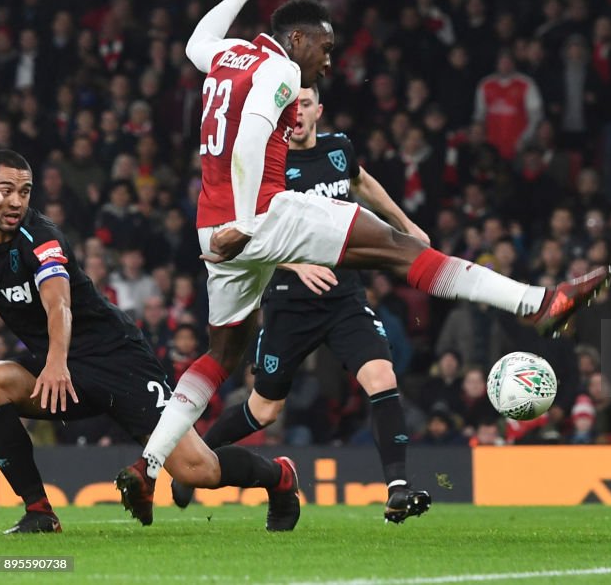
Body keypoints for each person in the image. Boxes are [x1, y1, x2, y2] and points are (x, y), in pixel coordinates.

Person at [116, 0, 609, 524]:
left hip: (212, 225)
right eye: (323, 49)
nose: (325, 64)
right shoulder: (279, 73)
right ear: (294, 39)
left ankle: (147, 466)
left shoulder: (227, 56)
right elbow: (252, 138)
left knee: (220, 354)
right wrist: (251, 224)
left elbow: (195, 40)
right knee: (404, 250)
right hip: (263, 215)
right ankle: (539, 303)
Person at [0, 150, 300, 534]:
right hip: (66, 372)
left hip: (116, 361)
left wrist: (55, 361)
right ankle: (40, 512)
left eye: (25, 190)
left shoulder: (40, 238)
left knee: (196, 469)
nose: (17, 200)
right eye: (6, 190)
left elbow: (59, 305)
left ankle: (280, 476)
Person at [171, 85, 432, 522]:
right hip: (289, 303)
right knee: (264, 408)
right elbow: (249, 234)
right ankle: (195, 461)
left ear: (318, 111)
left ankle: (397, 489)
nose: (297, 113)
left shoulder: (338, 149)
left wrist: (405, 224)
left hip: (344, 297)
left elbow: (361, 181)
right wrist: (296, 265)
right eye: (290, 106)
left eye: (305, 104)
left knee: (382, 377)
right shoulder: (265, 166)